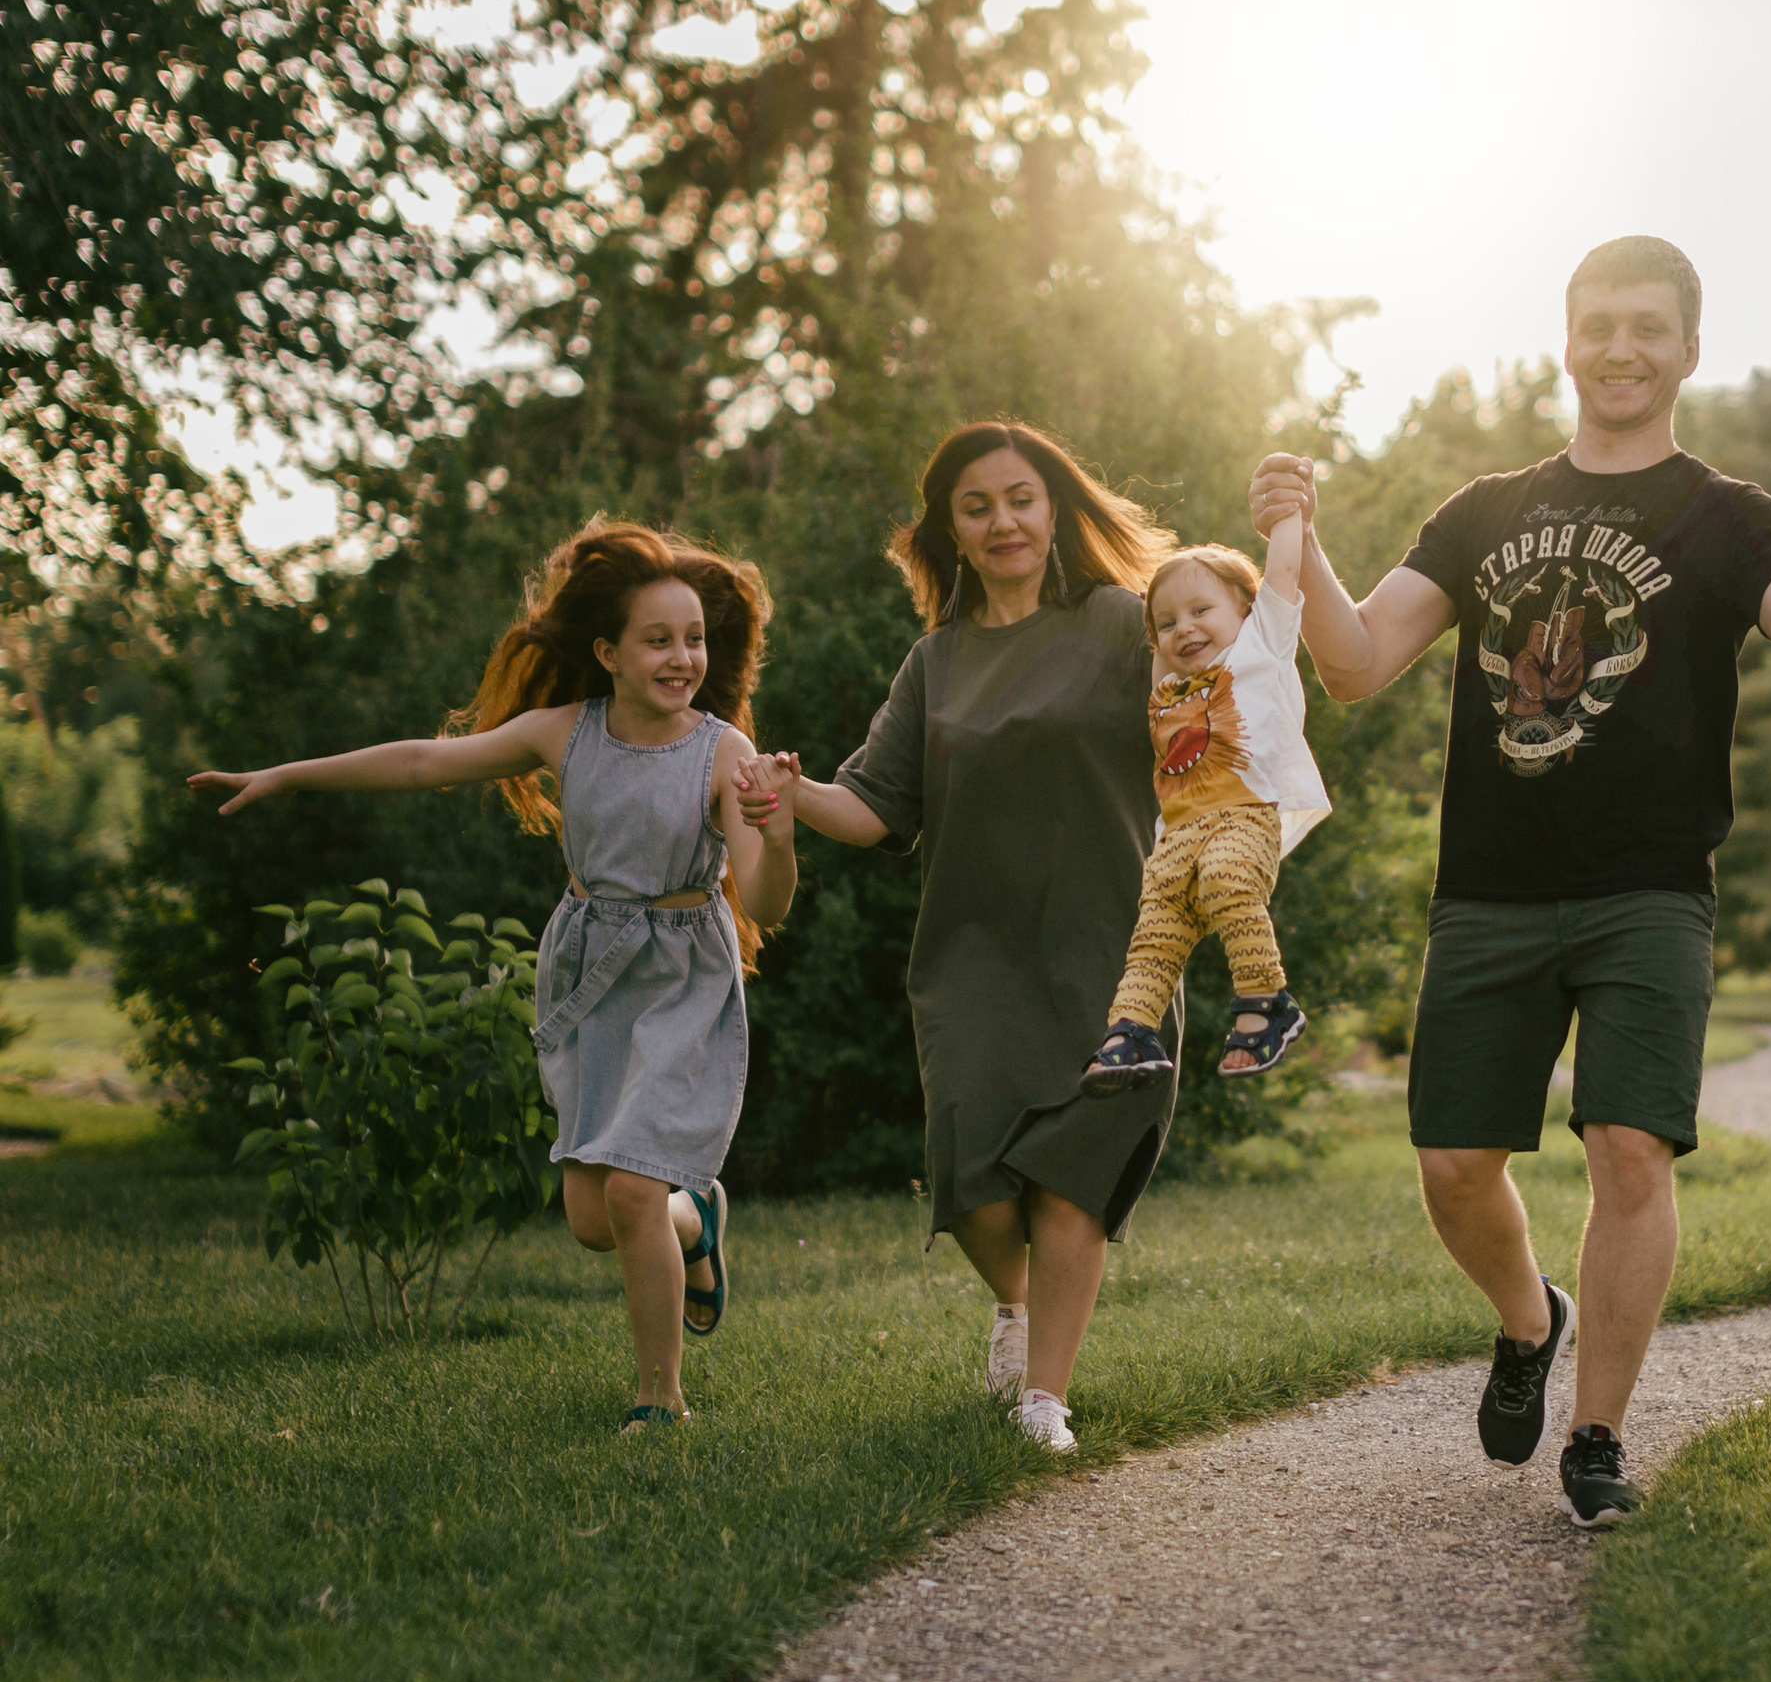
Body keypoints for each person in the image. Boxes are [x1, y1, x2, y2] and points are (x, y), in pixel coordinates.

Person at [1246, 235, 1771, 1527]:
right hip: (1490, 882)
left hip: (1650, 885)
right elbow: (1358, 660)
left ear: (1689, 349)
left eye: (1648, 326)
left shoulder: (1729, 512)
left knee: (1628, 1147)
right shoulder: (1484, 507)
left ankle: (1598, 1433)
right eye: (1599, 322)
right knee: (1451, 1162)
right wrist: (1299, 535)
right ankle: (1526, 1315)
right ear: (1567, 339)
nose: (1621, 346)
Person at [188, 520, 801, 1434]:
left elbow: (767, 898)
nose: (684, 658)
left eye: (695, 639)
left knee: (632, 1191)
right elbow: (422, 760)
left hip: (682, 979)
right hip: (592, 971)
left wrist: (779, 831)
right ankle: (696, 1221)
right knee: (597, 1217)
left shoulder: (722, 753)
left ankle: (659, 1401)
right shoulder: (565, 732)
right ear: (610, 651)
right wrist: (287, 774)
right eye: (659, 640)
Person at [744, 422, 1176, 1454]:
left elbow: (1218, 708)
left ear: (1054, 505)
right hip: (974, 956)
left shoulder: (1124, 624)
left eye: (1019, 498)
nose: (1002, 521)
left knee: (1071, 1176)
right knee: (971, 1178)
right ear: (949, 533)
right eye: (974, 507)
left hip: (1112, 948)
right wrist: (789, 793)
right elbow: (874, 807)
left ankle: (1044, 1400)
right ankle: (1017, 1308)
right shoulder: (937, 661)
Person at [1081, 509, 1331, 1095]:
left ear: (1246, 609)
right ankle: (1132, 1033)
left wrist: (1291, 510)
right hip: (1176, 837)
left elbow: (1283, 571)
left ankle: (1266, 999)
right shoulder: (1166, 687)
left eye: (1201, 611)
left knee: (1226, 878)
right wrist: (1155, 606)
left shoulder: (1262, 646)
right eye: (1168, 623)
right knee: (1153, 936)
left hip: (1245, 816)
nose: (1183, 628)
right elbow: (1157, 629)